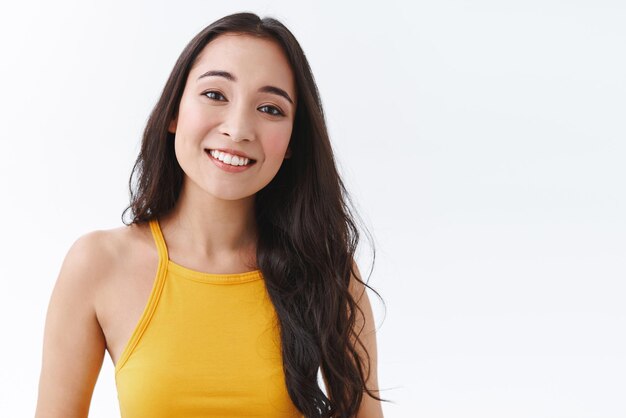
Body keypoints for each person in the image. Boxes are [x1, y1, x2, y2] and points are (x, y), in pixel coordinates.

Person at [35, 12, 386, 418]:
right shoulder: (98, 264)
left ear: (293, 142)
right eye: (216, 95)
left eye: (270, 108)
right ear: (173, 113)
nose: (238, 129)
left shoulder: (329, 272)